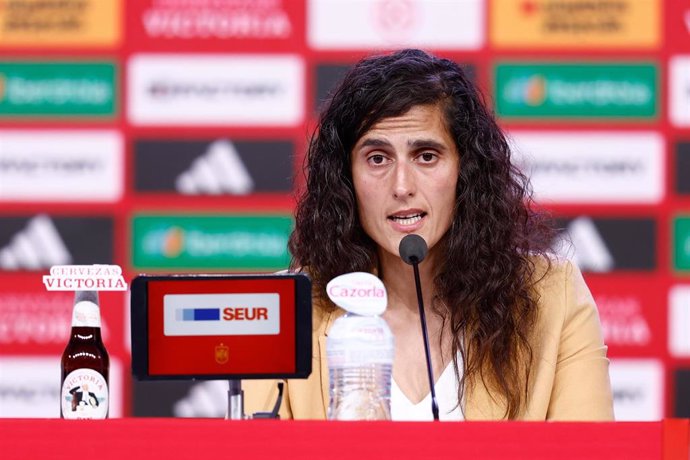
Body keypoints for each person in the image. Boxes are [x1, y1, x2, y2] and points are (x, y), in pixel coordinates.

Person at [243, 49, 614, 421]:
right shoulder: (285, 315)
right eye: (377, 158)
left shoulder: (553, 297)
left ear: (465, 170)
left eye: (426, 156)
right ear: (345, 178)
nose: (402, 186)